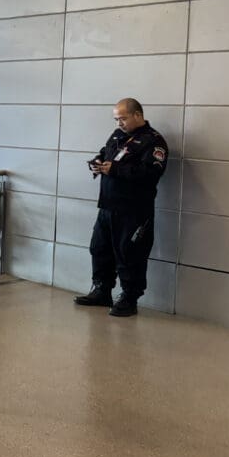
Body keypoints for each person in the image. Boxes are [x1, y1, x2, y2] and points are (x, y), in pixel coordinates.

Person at [74, 98, 168, 317]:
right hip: (107, 206)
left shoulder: (153, 141)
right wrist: (97, 162)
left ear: (138, 115)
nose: (119, 123)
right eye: (116, 119)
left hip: (133, 211)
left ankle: (129, 298)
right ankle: (101, 290)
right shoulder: (118, 135)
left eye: (123, 118)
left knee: (130, 254)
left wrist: (115, 169)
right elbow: (105, 153)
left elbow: (151, 173)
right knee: (99, 249)